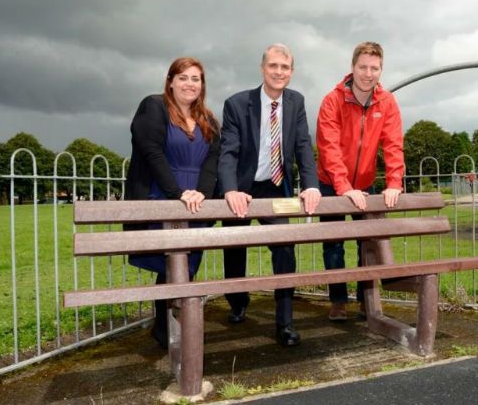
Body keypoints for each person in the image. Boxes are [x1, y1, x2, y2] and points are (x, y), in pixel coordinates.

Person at [218, 43, 321, 347]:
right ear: (263, 68)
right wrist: (230, 190)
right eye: (273, 66)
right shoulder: (237, 104)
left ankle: (285, 322)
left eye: (285, 67)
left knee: (284, 247)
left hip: (276, 187)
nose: (279, 72)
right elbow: (228, 151)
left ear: (291, 72)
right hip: (243, 188)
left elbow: (303, 145)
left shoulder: (296, 102)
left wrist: (311, 184)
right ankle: (237, 302)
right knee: (235, 247)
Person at [124, 57, 220, 348]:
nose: (190, 84)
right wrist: (177, 193)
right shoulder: (154, 107)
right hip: (162, 193)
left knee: (187, 266)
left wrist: (201, 193)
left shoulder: (209, 119)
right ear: (170, 81)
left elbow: (213, 161)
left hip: (195, 202)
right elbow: (152, 153)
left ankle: (175, 326)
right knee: (169, 266)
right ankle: (166, 330)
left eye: (196, 79)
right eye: (183, 78)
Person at [316, 41, 404, 321]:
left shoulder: (386, 101)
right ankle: (338, 300)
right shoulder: (333, 100)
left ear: (381, 70)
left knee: (368, 243)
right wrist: (344, 188)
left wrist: (394, 183)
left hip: (366, 182)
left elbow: (393, 144)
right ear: (352, 67)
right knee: (334, 243)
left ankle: (366, 297)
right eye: (363, 67)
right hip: (331, 183)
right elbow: (328, 147)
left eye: (374, 68)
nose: (368, 73)